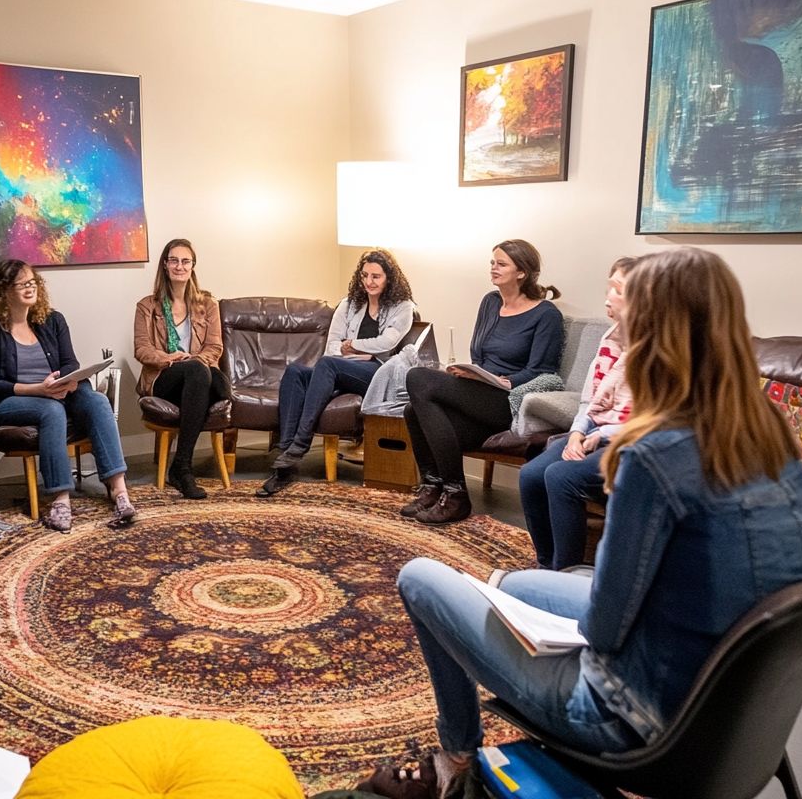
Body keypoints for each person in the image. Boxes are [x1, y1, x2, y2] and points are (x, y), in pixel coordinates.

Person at [367, 247, 802, 799]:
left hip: (630, 713)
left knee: (420, 577)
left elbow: (605, 632)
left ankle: (454, 758)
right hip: (729, 704)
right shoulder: (769, 434)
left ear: (652, 334)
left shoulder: (656, 456)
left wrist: (555, 632)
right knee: (515, 585)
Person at [402, 240, 562, 525]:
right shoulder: (490, 302)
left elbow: (543, 373)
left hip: (508, 400)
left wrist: (504, 380)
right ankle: (435, 487)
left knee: (418, 377)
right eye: (492, 263)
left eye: (501, 264)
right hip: (479, 391)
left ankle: (455, 494)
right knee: (412, 411)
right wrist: (473, 373)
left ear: (522, 272)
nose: (493, 268)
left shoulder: (546, 314)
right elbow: (479, 355)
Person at [0, 259, 135, 532]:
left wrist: (68, 381)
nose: (30, 288)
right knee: (51, 410)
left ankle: (119, 492)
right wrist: (39, 390)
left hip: (55, 390)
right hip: (8, 401)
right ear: (3, 291)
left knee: (96, 400)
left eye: (32, 282)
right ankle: (61, 499)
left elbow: (70, 362)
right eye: (22, 284)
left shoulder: (52, 320)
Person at [259, 248, 416, 497]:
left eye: (376, 276)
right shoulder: (349, 304)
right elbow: (332, 344)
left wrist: (352, 345)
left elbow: (386, 343)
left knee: (327, 365)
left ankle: (300, 443)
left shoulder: (403, 306)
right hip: (344, 367)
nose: (369, 281)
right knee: (295, 372)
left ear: (390, 278)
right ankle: (286, 458)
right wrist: (351, 352)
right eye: (364, 275)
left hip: (376, 372)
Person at [518, 257, 636, 569]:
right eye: (609, 288)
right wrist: (576, 434)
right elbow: (589, 400)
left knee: (560, 477)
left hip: (628, 440)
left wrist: (601, 435)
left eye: (618, 290)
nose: (608, 297)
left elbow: (652, 418)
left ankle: (565, 571)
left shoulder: (654, 348)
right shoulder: (609, 339)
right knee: (531, 476)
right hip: (593, 432)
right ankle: (546, 564)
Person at [133, 238, 228, 499]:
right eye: (174, 260)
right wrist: (169, 358)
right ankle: (182, 468)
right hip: (164, 377)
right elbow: (141, 349)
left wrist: (195, 361)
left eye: (185, 261)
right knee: (205, 377)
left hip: (197, 376)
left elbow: (214, 347)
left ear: (193, 266)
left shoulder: (208, 304)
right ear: (165, 265)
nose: (179, 266)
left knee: (203, 374)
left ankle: (180, 466)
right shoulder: (147, 306)